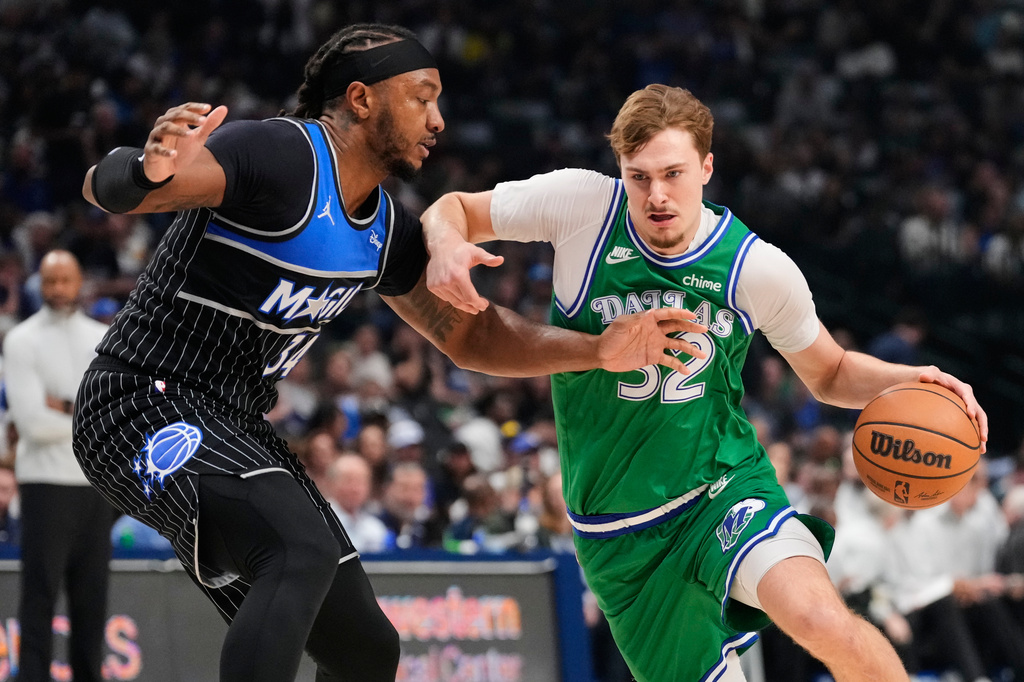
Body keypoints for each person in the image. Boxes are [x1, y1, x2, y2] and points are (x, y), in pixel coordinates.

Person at [73, 25, 699, 682]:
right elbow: (118, 188)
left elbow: (475, 337)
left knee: (367, 650)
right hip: (140, 397)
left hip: (236, 423)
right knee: (297, 551)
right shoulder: (279, 152)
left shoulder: (387, 228)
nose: (438, 120)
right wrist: (146, 167)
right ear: (362, 100)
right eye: (421, 99)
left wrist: (598, 350)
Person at [421, 83, 989, 682]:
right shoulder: (580, 207)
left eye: (673, 173)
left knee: (820, 619)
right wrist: (445, 245)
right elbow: (454, 208)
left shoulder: (756, 268)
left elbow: (831, 373)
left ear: (707, 167)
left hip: (721, 486)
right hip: (619, 531)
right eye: (639, 177)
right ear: (620, 170)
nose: (657, 195)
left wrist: (916, 380)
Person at [3, 250, 114, 682]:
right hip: (44, 483)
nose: (59, 290)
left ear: (79, 281)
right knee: (39, 598)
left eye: (66, 280)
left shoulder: (99, 339)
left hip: (93, 486)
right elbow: (31, 424)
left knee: (92, 602)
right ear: (39, 284)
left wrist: (63, 405)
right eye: (51, 281)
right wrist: (84, 413)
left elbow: (111, 415)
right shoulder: (21, 340)